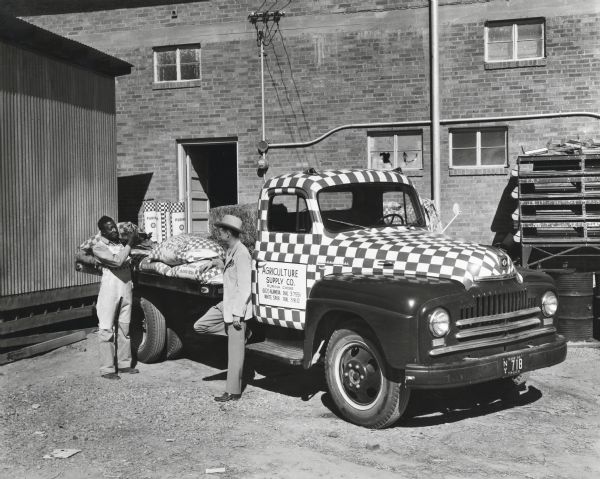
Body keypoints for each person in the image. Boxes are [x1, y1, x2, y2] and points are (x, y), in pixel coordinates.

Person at [193, 215, 252, 402]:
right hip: (226, 304)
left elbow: (245, 287)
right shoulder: (230, 251)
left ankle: (232, 392)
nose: (218, 234)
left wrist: (238, 315)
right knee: (200, 325)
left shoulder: (242, 254)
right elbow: (228, 267)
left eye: (220, 231)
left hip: (236, 309)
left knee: (234, 355)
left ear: (228, 233)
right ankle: (243, 335)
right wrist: (214, 263)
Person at [92, 216, 139, 379]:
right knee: (106, 329)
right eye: (109, 228)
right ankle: (107, 369)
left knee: (124, 328)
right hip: (109, 290)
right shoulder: (99, 247)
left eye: (114, 227)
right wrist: (130, 244)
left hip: (125, 287)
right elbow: (117, 261)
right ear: (102, 231)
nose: (114, 230)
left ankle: (125, 364)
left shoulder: (119, 244)